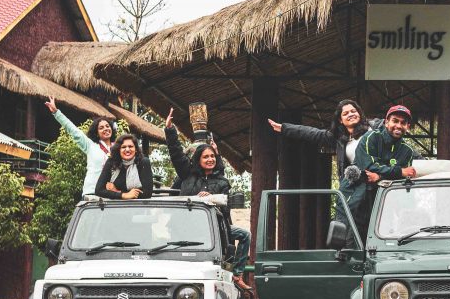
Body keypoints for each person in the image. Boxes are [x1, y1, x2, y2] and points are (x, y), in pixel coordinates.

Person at [164, 109, 250, 284]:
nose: (210, 159)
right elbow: (176, 154)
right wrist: (170, 130)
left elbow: (226, 208)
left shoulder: (222, 181)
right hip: (187, 226)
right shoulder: (188, 175)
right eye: (206, 156)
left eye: (212, 156)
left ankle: (238, 273)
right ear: (198, 159)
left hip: (215, 228)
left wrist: (211, 198)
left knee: (245, 235)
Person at [348, 105, 417, 246]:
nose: (398, 125)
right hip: (358, 201)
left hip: (386, 208)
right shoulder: (370, 138)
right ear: (386, 122)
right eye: (395, 121)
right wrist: (399, 171)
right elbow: (367, 166)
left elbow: (404, 181)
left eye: (403, 123)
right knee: (352, 246)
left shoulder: (407, 151)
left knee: (383, 247)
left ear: (407, 126)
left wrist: (379, 178)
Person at [267, 99, 377, 181]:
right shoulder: (339, 139)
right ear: (340, 120)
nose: (351, 114)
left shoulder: (374, 127)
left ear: (359, 113)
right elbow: (312, 133)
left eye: (354, 111)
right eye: (346, 113)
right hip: (360, 186)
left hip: (382, 183)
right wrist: (284, 128)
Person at [44, 97, 115, 198]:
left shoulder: (117, 148)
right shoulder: (90, 145)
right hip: (92, 193)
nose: (106, 129)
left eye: (107, 126)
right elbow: (73, 130)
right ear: (96, 133)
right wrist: (56, 112)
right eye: (101, 127)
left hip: (111, 194)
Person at [95, 134, 153, 199]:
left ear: (136, 149)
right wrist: (124, 195)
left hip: (138, 206)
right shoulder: (112, 162)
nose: (127, 149)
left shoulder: (143, 162)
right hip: (116, 207)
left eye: (130, 146)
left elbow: (147, 194)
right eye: (123, 147)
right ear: (118, 149)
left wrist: (117, 191)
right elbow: (98, 190)